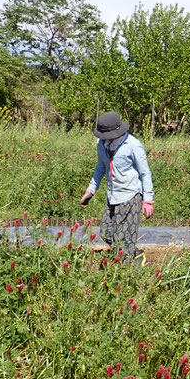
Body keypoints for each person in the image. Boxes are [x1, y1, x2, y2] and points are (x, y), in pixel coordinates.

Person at [80, 111, 154, 265]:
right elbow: (101, 166)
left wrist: (148, 200)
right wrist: (91, 189)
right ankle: (135, 254)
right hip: (112, 195)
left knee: (125, 237)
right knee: (106, 232)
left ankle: (130, 269)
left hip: (131, 196)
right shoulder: (101, 144)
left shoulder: (133, 145)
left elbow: (145, 173)